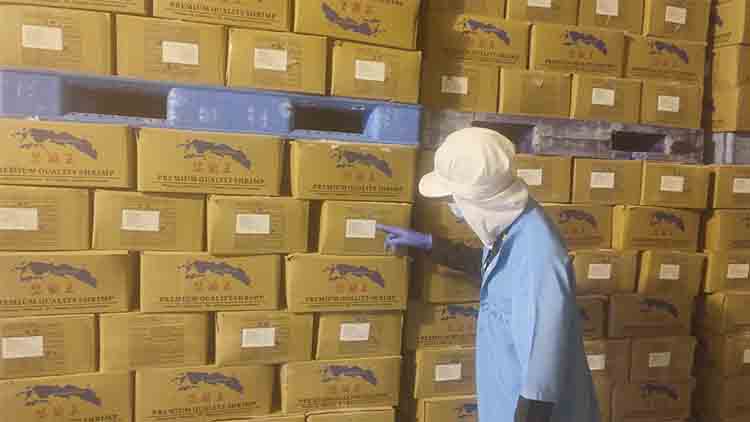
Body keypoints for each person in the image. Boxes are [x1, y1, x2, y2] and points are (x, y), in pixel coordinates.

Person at [379, 128, 599, 422]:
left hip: (535, 411)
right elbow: (495, 270)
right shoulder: (512, 224)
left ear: (478, 200)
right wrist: (430, 244)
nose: (453, 207)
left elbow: (543, 361)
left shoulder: (539, 253)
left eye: (454, 198)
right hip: (505, 394)